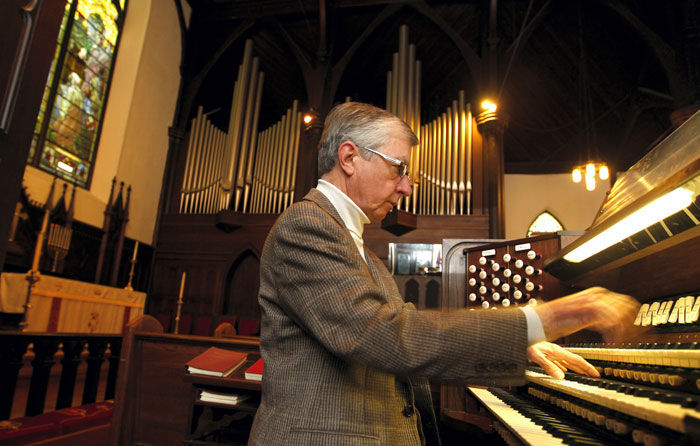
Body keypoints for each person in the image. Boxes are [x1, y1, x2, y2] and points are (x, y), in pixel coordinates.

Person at [248, 102, 640, 445]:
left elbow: (404, 327)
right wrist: (545, 318)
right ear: (349, 158)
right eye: (399, 169)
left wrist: (516, 344)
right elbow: (385, 337)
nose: (406, 187)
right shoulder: (306, 226)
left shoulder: (357, 246)